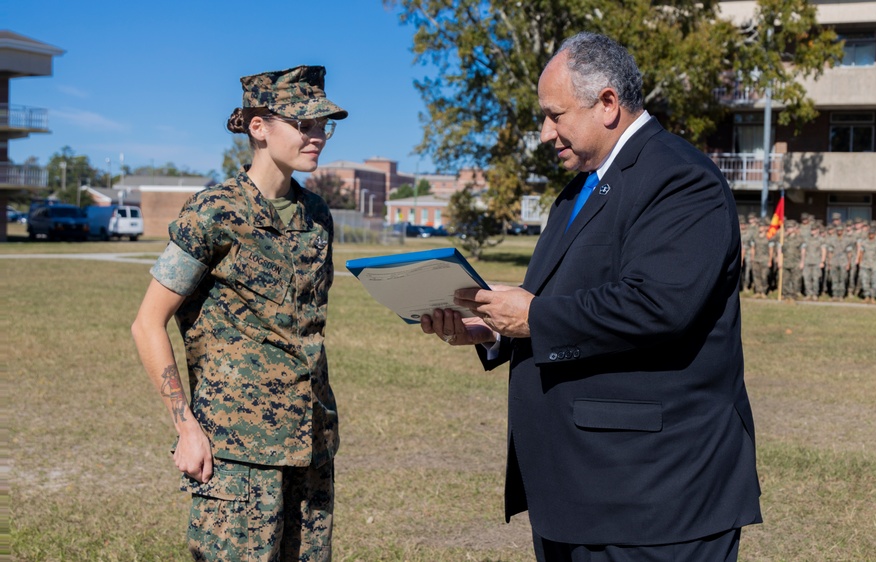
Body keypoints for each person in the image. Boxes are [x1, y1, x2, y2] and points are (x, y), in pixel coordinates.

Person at [421, 32, 761, 561]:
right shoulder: (579, 187)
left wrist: (531, 317)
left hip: (655, 498)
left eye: (555, 115)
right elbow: (561, 298)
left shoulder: (680, 178)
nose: (543, 133)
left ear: (607, 103)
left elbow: (656, 307)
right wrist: (492, 331)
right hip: (580, 491)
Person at [131, 65, 346, 561]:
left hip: (311, 442)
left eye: (323, 126)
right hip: (237, 454)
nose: (317, 136)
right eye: (304, 123)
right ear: (258, 127)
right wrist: (185, 426)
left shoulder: (318, 216)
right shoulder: (212, 212)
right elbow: (148, 322)